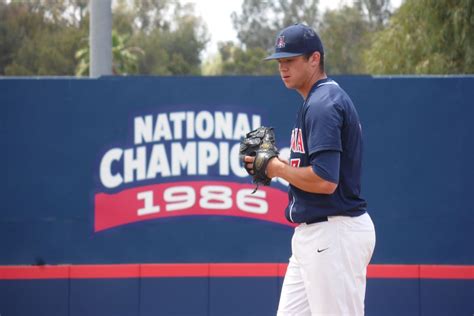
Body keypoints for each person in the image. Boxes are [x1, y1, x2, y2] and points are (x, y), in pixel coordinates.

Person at [244, 24, 376, 315]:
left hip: (333, 233)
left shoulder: (323, 105)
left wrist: (276, 167)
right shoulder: (316, 101)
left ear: (314, 59)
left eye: (290, 60)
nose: (283, 68)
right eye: (280, 62)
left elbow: (325, 180)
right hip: (314, 236)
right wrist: (274, 166)